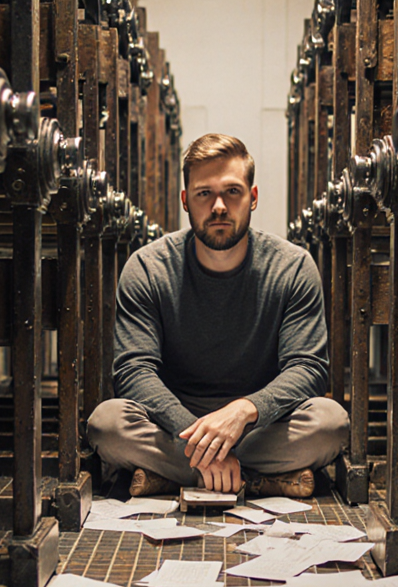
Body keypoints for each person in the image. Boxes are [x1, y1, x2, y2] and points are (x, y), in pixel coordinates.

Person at [86, 133, 348, 497]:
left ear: (252, 198)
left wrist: (244, 410)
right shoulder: (147, 267)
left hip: (259, 424)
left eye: (233, 192)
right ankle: (255, 480)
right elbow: (133, 371)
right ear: (186, 201)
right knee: (107, 424)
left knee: (330, 423)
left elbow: (308, 368)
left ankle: (178, 476)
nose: (219, 206)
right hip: (174, 424)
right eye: (204, 193)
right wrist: (200, 439)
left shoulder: (292, 267)